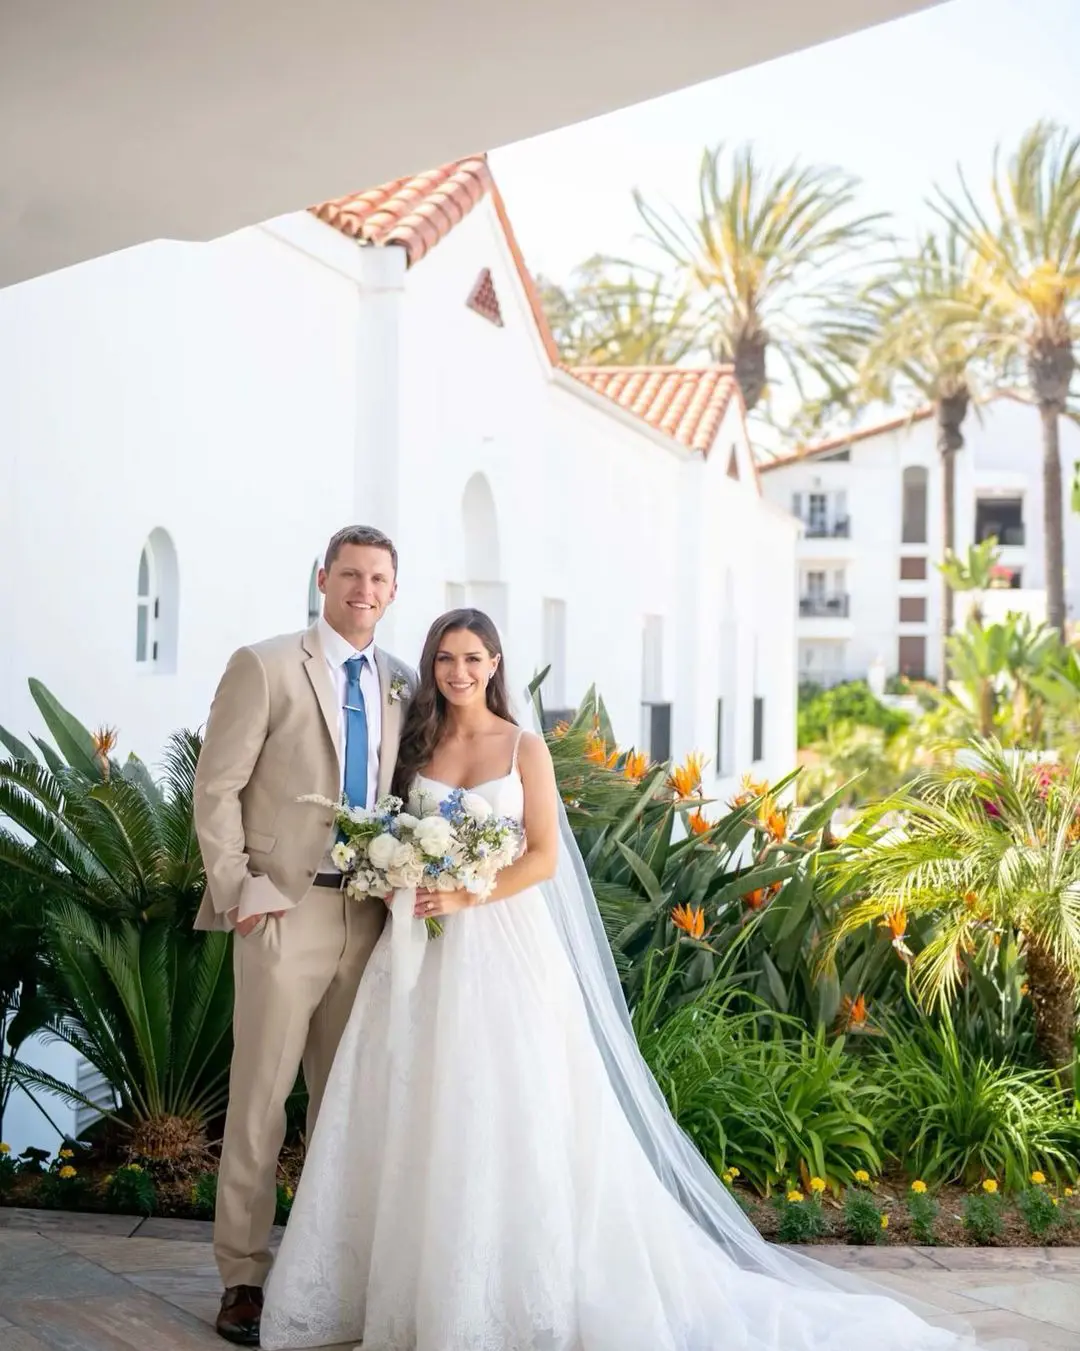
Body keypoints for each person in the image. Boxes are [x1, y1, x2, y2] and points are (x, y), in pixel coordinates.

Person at [260, 609, 989, 1351]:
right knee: (411, 1104)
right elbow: (389, 828)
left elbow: (541, 856)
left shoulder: (523, 747)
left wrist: (468, 890)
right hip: (420, 952)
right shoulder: (416, 745)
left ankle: (503, 1300)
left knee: (506, 1107)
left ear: (495, 662)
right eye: (445, 658)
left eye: (472, 657)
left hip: (502, 946)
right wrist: (399, 874)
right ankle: (403, 1290)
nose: (457, 671)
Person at [193, 524, 414, 1346]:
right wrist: (241, 889)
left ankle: (321, 1270)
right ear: (323, 577)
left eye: (379, 577)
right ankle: (243, 1277)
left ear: (394, 589)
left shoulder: (401, 681)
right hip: (285, 910)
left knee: (342, 1104)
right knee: (259, 1103)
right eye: (350, 573)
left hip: (370, 914)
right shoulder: (266, 664)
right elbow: (215, 788)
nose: (364, 588)